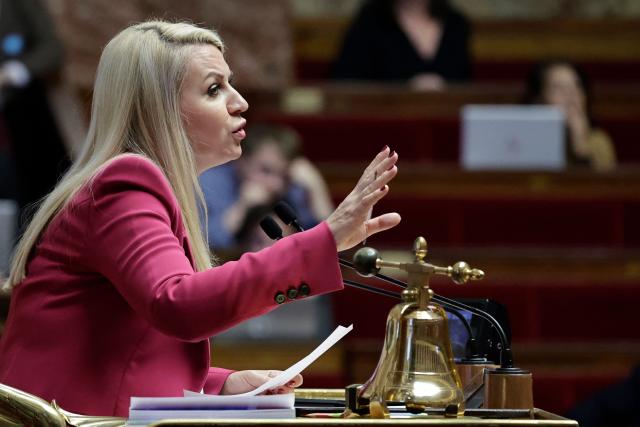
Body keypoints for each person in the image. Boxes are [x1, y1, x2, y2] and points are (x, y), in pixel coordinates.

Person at [0, 21, 401, 417]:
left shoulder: (136, 184)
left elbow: (128, 345)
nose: (240, 102)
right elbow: (177, 304)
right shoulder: (124, 184)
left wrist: (219, 383)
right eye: (214, 89)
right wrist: (323, 238)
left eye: (231, 84)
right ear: (162, 110)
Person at [200, 123, 333, 253]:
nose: (276, 185)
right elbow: (207, 247)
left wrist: (317, 188)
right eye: (266, 171)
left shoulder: (291, 186)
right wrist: (242, 206)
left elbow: (327, 245)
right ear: (241, 161)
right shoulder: (208, 183)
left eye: (283, 175)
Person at [0, 0, 71, 224]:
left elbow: (52, 50)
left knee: (34, 199)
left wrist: (10, 73)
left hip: (23, 120)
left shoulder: (16, 5)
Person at [331, 0, 471, 90]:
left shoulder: (456, 24)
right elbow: (345, 85)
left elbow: (467, 87)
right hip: (388, 126)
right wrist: (404, 90)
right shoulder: (369, 22)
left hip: (445, 124)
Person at [524, 60, 617, 171]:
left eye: (577, 86)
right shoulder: (526, 142)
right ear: (539, 100)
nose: (571, 95)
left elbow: (604, 186)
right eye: (558, 88)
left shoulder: (599, 141)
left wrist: (581, 146)